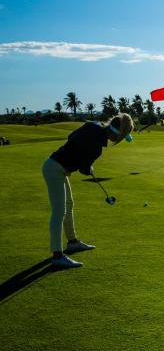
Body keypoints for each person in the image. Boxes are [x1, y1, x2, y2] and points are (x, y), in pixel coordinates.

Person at [43, 113, 135, 268]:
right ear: (116, 133)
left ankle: (72, 242)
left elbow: (71, 136)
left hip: (57, 167)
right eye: (119, 138)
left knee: (69, 204)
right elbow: (84, 169)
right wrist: (88, 166)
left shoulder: (93, 125)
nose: (116, 141)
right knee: (59, 211)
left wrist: (81, 158)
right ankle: (57, 255)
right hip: (54, 169)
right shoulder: (97, 148)